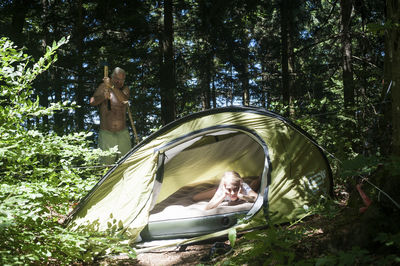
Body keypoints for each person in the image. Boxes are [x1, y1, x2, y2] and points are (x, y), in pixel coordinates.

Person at [90, 67, 132, 165]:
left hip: (123, 133)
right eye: (117, 78)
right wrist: (103, 97)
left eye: (122, 79)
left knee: (126, 163)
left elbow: (124, 100)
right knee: (106, 164)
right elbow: (92, 102)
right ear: (111, 77)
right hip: (107, 134)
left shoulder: (125, 89)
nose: (119, 81)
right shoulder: (103, 87)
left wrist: (112, 87)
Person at [193, 171, 259, 210]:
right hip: (218, 190)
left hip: (243, 187)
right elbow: (207, 208)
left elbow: (258, 199)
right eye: (229, 189)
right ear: (224, 186)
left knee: (255, 185)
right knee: (195, 197)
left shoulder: (244, 187)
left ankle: (258, 179)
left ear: (240, 185)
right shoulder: (222, 190)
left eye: (235, 189)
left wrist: (242, 196)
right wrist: (223, 196)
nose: (232, 193)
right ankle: (214, 189)